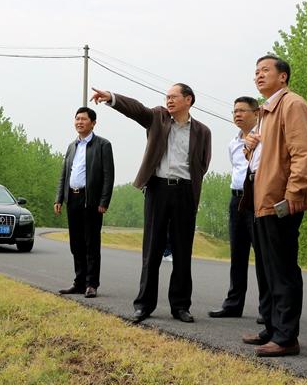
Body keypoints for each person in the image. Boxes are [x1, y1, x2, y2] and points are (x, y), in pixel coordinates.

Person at [90, 84, 211, 323]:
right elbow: (136, 110)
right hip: (158, 188)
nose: (169, 100)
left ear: (188, 100)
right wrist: (112, 97)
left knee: (182, 251)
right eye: (167, 97)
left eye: (174, 97)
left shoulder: (202, 131)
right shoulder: (158, 117)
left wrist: (188, 185)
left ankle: (180, 306)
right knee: (152, 249)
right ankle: (144, 305)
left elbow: (203, 163)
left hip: (185, 192)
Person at [241, 55, 307, 357]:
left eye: (265, 70)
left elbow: (304, 152)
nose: (258, 75)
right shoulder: (266, 111)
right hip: (261, 196)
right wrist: (250, 149)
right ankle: (273, 328)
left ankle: (287, 337)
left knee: (282, 268)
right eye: (256, 71)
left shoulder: (292, 104)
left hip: (280, 198)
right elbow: (268, 157)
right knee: (267, 268)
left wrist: (294, 192)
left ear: (283, 76)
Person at [209, 96, 267, 319]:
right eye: (235, 111)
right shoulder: (233, 143)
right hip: (236, 200)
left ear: (256, 113)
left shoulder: (264, 137)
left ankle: (267, 309)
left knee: (262, 255)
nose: (237, 115)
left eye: (243, 110)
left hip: (257, 199)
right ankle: (233, 304)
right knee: (238, 253)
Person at [54, 106, 115, 298]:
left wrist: (104, 201)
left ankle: (91, 284)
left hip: (91, 200)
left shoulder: (103, 145)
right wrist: (59, 198)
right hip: (72, 198)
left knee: (91, 243)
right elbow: (64, 174)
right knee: (76, 243)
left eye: (84, 119)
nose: (79, 122)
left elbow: (108, 176)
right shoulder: (72, 146)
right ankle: (79, 282)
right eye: (77, 119)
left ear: (93, 123)